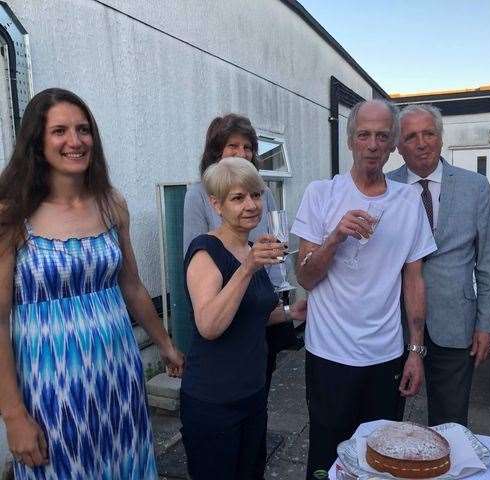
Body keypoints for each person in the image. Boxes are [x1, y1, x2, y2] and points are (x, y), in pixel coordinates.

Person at [0, 88, 184, 479]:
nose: (75, 141)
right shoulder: (10, 214)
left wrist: (166, 345)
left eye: (83, 130)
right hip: (51, 390)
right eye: (60, 131)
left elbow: (132, 286)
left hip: (118, 376)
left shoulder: (110, 203)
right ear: (37, 140)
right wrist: (13, 414)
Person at [292, 100, 437, 479]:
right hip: (329, 353)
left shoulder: (408, 201)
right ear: (351, 141)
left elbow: (413, 279)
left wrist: (416, 351)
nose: (372, 144)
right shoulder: (321, 194)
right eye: (364, 135)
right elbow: (305, 277)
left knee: (381, 462)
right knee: (326, 459)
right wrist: (335, 237)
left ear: (393, 146)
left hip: (385, 355)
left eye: (382, 136)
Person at [180, 157, 306, 479]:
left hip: (252, 392)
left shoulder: (251, 247)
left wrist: (295, 311)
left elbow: (251, 315)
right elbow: (209, 325)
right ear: (216, 204)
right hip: (213, 400)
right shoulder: (205, 251)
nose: (251, 204)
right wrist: (247, 268)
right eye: (238, 198)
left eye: (256, 195)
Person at [387, 105, 490, 427]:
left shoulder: (475, 187)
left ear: (440, 138)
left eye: (429, 134)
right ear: (398, 145)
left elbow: (488, 262)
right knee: (386, 420)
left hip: (455, 323)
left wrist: (487, 323)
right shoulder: (385, 188)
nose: (421, 143)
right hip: (393, 323)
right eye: (411, 136)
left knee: (450, 425)